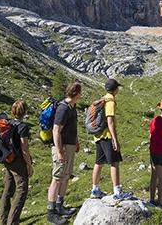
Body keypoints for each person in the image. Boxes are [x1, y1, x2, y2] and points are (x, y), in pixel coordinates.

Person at [90, 78, 132, 200]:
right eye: (117, 87)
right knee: (114, 163)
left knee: (98, 162)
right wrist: (114, 139)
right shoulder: (111, 101)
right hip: (107, 136)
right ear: (115, 89)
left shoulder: (102, 99)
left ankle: (95, 190)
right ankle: (117, 192)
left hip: (98, 136)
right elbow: (110, 121)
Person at [46, 82, 82, 225]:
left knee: (66, 176)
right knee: (57, 178)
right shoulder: (63, 108)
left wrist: (76, 141)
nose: (81, 95)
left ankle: (60, 206)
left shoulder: (72, 107)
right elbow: (56, 131)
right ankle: (51, 212)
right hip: (62, 147)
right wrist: (60, 151)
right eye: (80, 92)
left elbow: (72, 127)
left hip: (70, 145)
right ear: (76, 93)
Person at [0, 100, 33, 225]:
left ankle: (3, 220)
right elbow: (24, 149)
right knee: (22, 189)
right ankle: (13, 221)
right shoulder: (23, 127)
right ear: (24, 112)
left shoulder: (8, 123)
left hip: (7, 159)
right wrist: (29, 165)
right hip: (18, 161)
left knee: (8, 189)